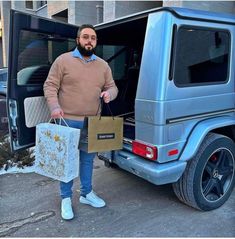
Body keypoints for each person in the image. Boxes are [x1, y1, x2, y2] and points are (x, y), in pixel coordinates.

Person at [43, 24, 118, 220]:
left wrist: (109, 94)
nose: (89, 41)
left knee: (87, 160)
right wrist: (54, 107)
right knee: (66, 160)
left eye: (93, 38)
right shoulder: (63, 60)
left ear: (96, 42)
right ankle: (66, 198)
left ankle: (86, 193)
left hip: (92, 122)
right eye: (85, 37)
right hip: (67, 120)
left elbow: (112, 86)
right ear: (78, 40)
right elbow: (50, 85)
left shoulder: (103, 65)